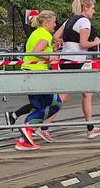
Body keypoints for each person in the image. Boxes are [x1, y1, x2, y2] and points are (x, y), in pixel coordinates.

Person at [15, 10, 69, 151]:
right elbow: (37, 52)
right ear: (46, 23)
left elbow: (36, 51)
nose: (55, 25)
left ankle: (23, 141)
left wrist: (53, 51)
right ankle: (27, 127)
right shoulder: (45, 34)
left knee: (39, 107)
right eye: (54, 22)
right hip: (38, 74)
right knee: (55, 103)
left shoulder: (36, 32)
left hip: (29, 72)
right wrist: (51, 57)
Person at [54, 0, 100, 139]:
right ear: (86, 8)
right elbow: (84, 44)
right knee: (63, 97)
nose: (94, 12)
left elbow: (56, 36)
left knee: (86, 93)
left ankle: (90, 128)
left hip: (66, 60)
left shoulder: (69, 20)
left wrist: (66, 43)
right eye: (93, 8)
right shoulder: (84, 22)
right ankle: (41, 125)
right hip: (75, 61)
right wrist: (96, 41)